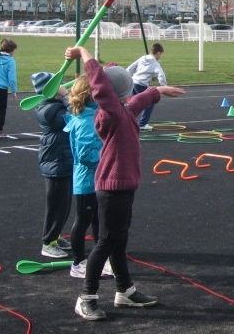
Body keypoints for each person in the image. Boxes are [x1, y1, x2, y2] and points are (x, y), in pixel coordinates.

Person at [64, 45, 185, 321]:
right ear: (119, 93)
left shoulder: (122, 111)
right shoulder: (112, 113)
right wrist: (84, 52)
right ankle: (86, 297)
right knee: (105, 242)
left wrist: (159, 92)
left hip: (123, 186)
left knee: (119, 241)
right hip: (112, 187)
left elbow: (137, 103)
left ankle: (125, 291)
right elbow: (99, 84)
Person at [64, 75, 113, 280]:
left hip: (96, 178)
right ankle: (78, 262)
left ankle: (101, 258)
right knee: (83, 220)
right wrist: (108, 156)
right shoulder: (85, 120)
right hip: (87, 180)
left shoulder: (90, 115)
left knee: (98, 220)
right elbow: (85, 155)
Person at [30, 71, 73, 259]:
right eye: (58, 85)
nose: (62, 86)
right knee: (56, 205)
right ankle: (48, 242)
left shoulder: (53, 105)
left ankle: (55, 237)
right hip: (55, 163)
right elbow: (74, 118)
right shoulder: (47, 111)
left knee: (64, 204)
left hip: (62, 160)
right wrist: (67, 96)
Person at [127, 43, 168, 132]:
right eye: (161, 54)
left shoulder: (142, 58)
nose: (160, 56)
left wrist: (127, 78)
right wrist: (164, 87)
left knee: (131, 103)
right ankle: (142, 124)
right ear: (158, 53)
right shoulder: (155, 63)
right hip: (141, 85)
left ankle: (126, 121)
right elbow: (161, 75)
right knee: (150, 102)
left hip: (133, 82)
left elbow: (131, 68)